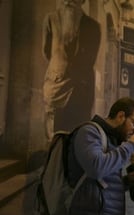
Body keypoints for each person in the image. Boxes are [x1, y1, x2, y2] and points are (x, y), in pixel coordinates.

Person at [42, 0, 101, 141]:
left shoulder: (93, 26)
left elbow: (90, 58)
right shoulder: (51, 19)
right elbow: (46, 52)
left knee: (75, 135)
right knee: (55, 136)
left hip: (80, 89)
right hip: (57, 86)